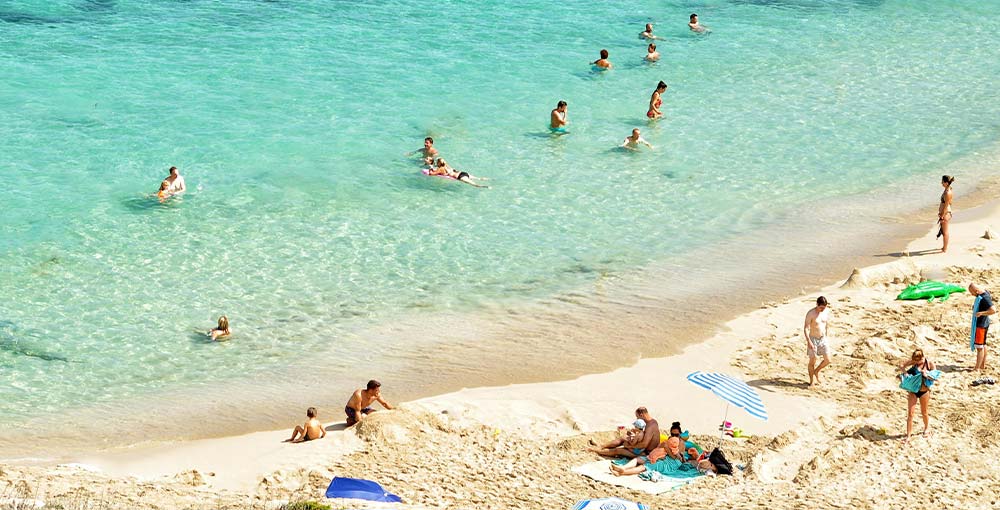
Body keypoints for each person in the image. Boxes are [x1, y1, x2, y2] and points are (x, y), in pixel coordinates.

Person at [588, 407, 661, 458]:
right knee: (623, 438)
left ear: (641, 415)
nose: (637, 419)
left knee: (619, 450)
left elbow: (644, 444)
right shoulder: (650, 422)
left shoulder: (651, 426)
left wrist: (629, 446)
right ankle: (601, 446)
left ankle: (597, 451)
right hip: (641, 448)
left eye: (637, 417)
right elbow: (642, 435)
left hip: (645, 453)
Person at [898, 349, 936, 444]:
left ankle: (927, 428)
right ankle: (908, 436)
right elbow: (901, 365)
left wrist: (926, 374)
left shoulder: (929, 364)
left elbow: (935, 377)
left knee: (924, 412)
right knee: (910, 414)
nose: (916, 363)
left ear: (922, 357)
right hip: (913, 391)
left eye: (917, 361)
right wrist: (905, 373)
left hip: (924, 391)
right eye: (914, 361)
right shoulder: (913, 361)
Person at [803, 296, 832, 387]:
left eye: (824, 307)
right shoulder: (811, 314)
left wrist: (826, 336)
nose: (823, 309)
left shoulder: (826, 311)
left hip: (823, 339)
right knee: (812, 361)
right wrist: (809, 341)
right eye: (821, 308)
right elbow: (806, 328)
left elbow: (826, 324)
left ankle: (816, 371)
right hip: (813, 339)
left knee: (828, 360)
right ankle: (812, 381)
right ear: (817, 305)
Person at [970, 283, 995, 371]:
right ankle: (982, 365)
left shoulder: (985, 298)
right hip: (985, 323)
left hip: (981, 325)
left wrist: (981, 313)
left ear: (977, 291)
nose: (972, 295)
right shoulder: (984, 292)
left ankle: (977, 368)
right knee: (983, 345)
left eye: (972, 293)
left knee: (979, 347)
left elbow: (993, 310)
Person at [938, 175, 954, 253]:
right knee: (944, 231)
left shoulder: (948, 192)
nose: (941, 183)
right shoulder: (948, 189)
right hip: (945, 212)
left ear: (946, 183)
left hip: (946, 213)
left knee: (945, 232)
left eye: (943, 182)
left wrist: (942, 215)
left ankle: (945, 248)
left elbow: (947, 205)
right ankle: (944, 247)